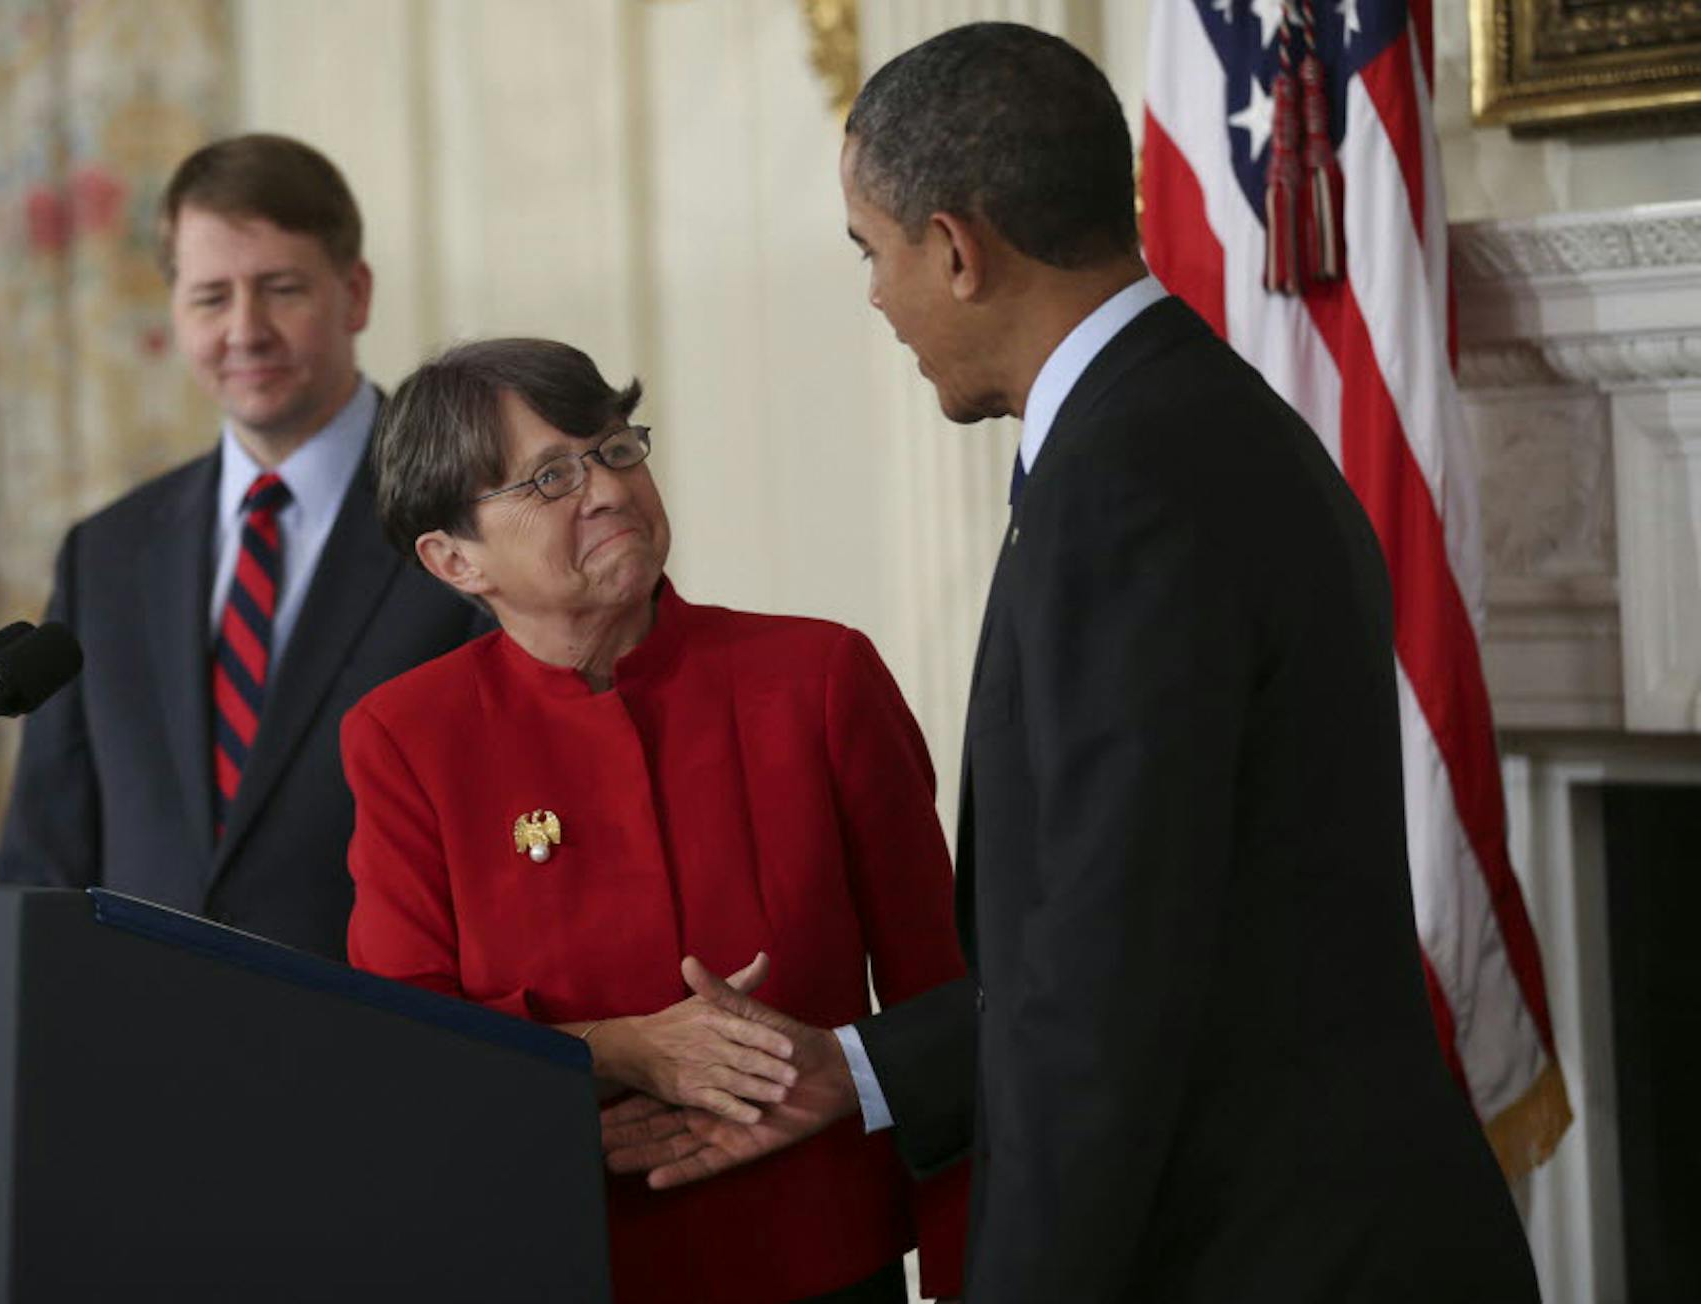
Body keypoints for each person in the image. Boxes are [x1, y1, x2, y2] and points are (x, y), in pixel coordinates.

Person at [604, 22, 1541, 1304]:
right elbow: (1167, 926)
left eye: (872, 255)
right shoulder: (1191, 419)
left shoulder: (1129, 485)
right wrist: (862, 1068)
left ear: (955, 248)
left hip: (1270, 1254)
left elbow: (1107, 985)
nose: (876, 297)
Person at [342, 337, 968, 1303]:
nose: (603, 489)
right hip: (556, 1258)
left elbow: (951, 1006)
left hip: (820, 1261)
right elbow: (408, 1049)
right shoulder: (406, 738)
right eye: (549, 476)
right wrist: (621, 1050)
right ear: (453, 557)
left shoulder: (818, 679)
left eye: (615, 449)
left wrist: (976, 1270)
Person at [0, 135, 484, 957]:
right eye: (210, 297)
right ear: (176, 310)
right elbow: (43, 859)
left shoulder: (469, 509)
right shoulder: (105, 554)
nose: (244, 330)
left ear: (354, 294)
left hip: (387, 1044)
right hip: (140, 1050)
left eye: (281, 289)